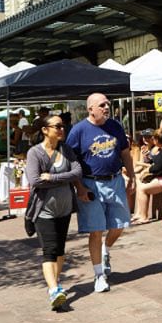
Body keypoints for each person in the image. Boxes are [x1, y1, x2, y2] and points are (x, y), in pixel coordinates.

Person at [67, 92, 135, 294]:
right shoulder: (78, 131)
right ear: (91, 109)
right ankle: (99, 275)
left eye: (108, 104)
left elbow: (124, 152)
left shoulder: (115, 126)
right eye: (102, 105)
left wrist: (131, 177)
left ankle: (106, 249)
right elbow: (71, 161)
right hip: (91, 185)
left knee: (120, 225)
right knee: (96, 230)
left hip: (115, 181)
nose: (106, 107)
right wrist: (79, 187)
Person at [25, 114, 83, 309]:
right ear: (45, 130)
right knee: (49, 249)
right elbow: (35, 180)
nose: (61, 129)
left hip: (65, 208)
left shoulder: (66, 150)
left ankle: (56, 285)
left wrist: (52, 177)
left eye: (63, 126)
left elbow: (77, 172)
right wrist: (61, 178)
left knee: (60, 249)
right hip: (44, 210)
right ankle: (53, 290)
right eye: (57, 126)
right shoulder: (35, 153)